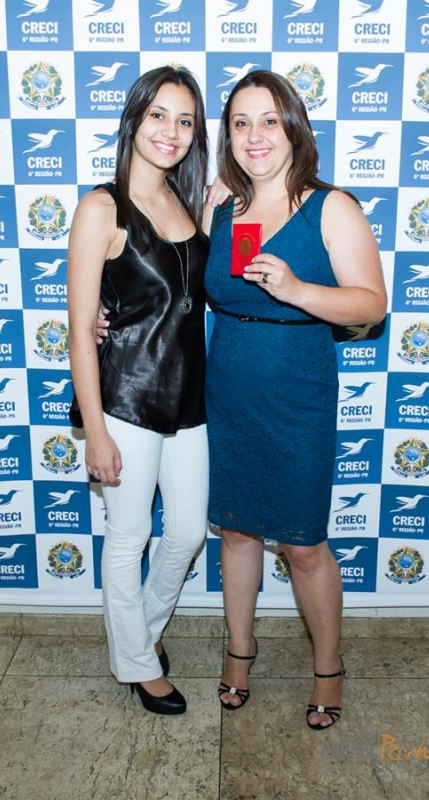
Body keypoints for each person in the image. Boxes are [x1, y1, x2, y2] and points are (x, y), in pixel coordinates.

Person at [203, 70, 387, 729]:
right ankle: (239, 652)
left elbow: (371, 304)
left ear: (294, 128)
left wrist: (298, 289)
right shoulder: (221, 207)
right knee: (237, 530)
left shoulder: (330, 207)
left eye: (269, 120)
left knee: (304, 544)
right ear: (228, 135)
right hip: (228, 388)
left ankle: (328, 668)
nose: (255, 135)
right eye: (241, 122)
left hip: (298, 394)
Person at [67, 65, 216, 716]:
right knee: (129, 537)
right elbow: (80, 330)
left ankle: (143, 634)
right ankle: (136, 663)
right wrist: (96, 431)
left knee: (186, 533)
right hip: (125, 398)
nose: (171, 131)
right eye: (158, 115)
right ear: (133, 119)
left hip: (188, 399)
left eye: (185, 120)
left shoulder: (188, 201)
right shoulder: (101, 208)